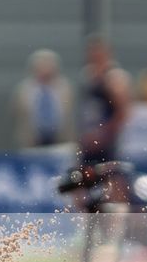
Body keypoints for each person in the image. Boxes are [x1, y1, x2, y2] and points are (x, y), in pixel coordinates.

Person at [77, 35, 130, 167]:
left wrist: (104, 135)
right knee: (83, 180)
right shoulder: (88, 75)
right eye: (92, 53)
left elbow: (123, 112)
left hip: (108, 142)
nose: (94, 56)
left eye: (98, 52)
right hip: (89, 140)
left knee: (111, 178)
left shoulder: (114, 78)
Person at [11, 49, 74, 149]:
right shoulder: (23, 89)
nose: (45, 68)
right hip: (31, 142)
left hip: (60, 141)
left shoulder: (65, 87)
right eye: (42, 64)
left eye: (48, 64)